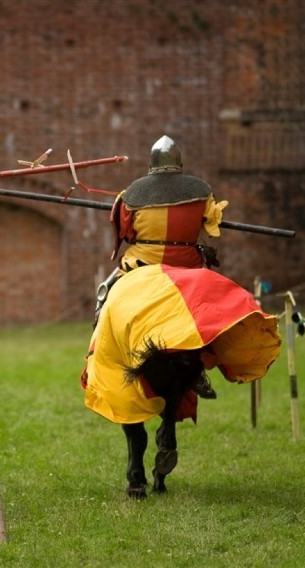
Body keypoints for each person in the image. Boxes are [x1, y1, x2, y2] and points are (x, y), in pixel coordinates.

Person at [93, 135, 230, 398]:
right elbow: (211, 224)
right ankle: (201, 365)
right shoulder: (200, 191)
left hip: (142, 265)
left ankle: (100, 352)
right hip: (188, 268)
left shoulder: (133, 193)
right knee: (208, 310)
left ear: (151, 163)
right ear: (179, 162)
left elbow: (126, 232)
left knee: (104, 299)